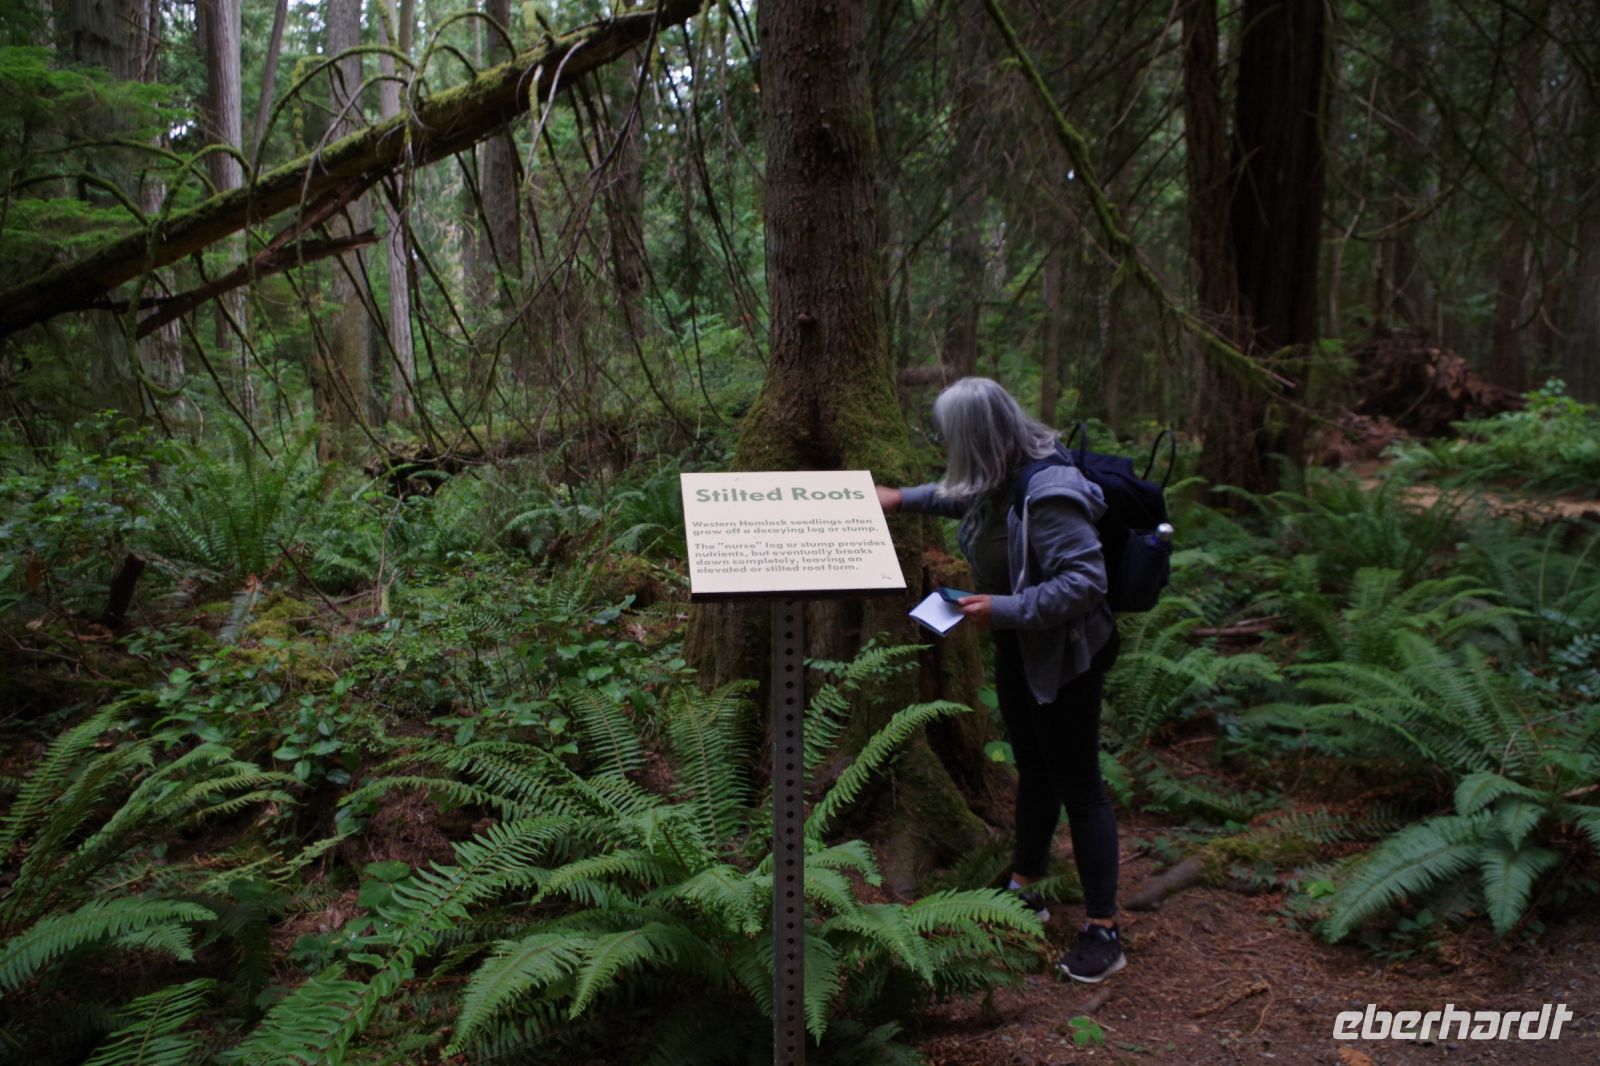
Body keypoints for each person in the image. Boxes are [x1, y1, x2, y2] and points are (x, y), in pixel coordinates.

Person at [875, 376, 1125, 983]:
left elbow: (1086, 581)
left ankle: (1103, 929)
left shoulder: (1050, 490)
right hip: (1023, 647)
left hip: (1066, 655)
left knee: (1081, 783)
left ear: (976, 438)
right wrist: (901, 498)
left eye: (952, 436)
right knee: (1035, 769)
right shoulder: (1001, 474)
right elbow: (965, 499)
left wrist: (1003, 609)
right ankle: (1025, 886)